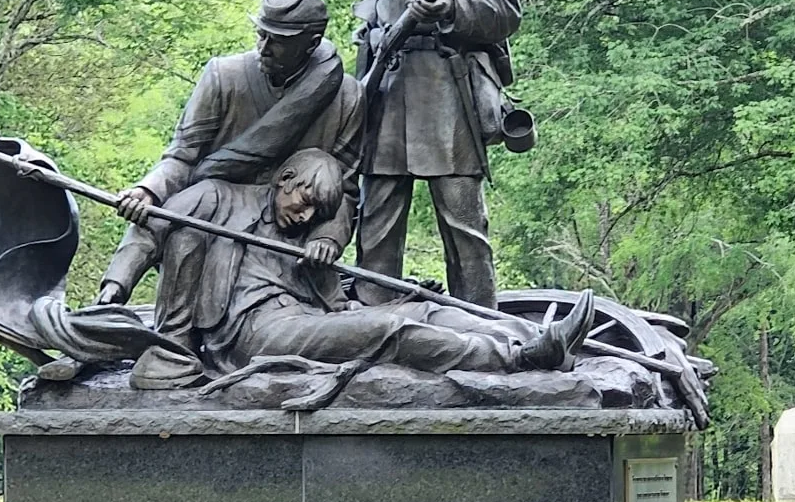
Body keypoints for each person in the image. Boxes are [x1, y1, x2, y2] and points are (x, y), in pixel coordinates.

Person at [131, 149, 594, 389]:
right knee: (390, 329)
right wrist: (114, 288)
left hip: (310, 319)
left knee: (422, 311)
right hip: (253, 333)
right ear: (285, 180)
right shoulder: (217, 198)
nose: (306, 216)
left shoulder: (308, 238)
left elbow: (338, 304)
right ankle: (517, 359)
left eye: (319, 212)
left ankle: (536, 337)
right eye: (305, 202)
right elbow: (154, 230)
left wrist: (328, 267)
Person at [100, 0, 364, 305]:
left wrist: (326, 238)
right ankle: (112, 295)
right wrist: (147, 191)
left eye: (278, 40)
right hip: (215, 219)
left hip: (286, 246)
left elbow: (346, 192)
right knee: (180, 215)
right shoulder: (223, 78)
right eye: (261, 34)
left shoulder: (348, 97)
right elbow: (183, 158)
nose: (264, 47)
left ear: (311, 43)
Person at [353, 0, 520, 309]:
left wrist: (450, 6)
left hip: (446, 84)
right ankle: (372, 321)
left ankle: (486, 330)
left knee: (463, 222)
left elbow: (504, 10)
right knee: (377, 214)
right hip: (385, 79)